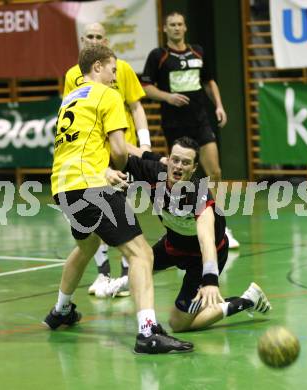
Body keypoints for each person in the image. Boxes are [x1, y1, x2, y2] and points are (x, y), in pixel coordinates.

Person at [43, 45, 193, 354]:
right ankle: (147, 331)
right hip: (92, 185)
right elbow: (121, 151)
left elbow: (102, 146)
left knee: (86, 246)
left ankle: (61, 310)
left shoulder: (70, 98)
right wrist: (138, 168)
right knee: (141, 254)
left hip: (63, 185)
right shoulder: (107, 96)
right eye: (113, 69)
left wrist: (153, 158)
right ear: (97, 67)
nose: (116, 76)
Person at [109, 137, 271, 331]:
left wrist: (210, 279)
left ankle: (247, 299)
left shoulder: (198, 194)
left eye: (185, 163)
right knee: (141, 265)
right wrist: (107, 171)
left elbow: (206, 241)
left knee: (178, 324)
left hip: (201, 259)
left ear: (194, 168)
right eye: (175, 160)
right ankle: (128, 283)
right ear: (168, 160)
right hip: (172, 245)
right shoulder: (154, 173)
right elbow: (118, 151)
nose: (178, 167)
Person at [64, 22, 151, 298]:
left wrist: (145, 144)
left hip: (104, 157)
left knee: (118, 217)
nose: (92, 40)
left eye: (97, 36)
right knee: (130, 240)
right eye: (88, 36)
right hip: (95, 158)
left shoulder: (120, 69)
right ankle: (106, 275)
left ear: (105, 41)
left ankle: (125, 276)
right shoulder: (73, 77)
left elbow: (136, 106)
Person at [141, 11, 240, 250]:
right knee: (179, 177)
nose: (176, 28)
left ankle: (218, 224)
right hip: (175, 126)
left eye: (180, 24)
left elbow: (209, 81)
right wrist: (168, 97)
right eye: (171, 25)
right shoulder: (159, 56)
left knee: (214, 172)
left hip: (200, 121)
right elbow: (145, 87)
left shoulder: (197, 52)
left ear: (185, 28)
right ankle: (186, 222)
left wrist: (218, 106)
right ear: (165, 29)